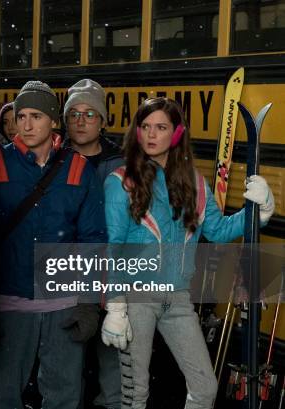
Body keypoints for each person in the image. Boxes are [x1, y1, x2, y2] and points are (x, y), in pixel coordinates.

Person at [101, 97, 275, 409]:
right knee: (134, 396)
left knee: (205, 389)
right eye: (145, 127)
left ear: (177, 134)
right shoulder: (121, 182)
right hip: (136, 299)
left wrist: (257, 212)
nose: (152, 135)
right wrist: (115, 307)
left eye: (161, 127)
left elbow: (218, 231)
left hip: (179, 298)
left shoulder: (194, 182)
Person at [0, 80, 107, 409]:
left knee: (65, 395)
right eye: (21, 115)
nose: (26, 124)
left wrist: (88, 302)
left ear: (53, 120)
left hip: (63, 304)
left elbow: (92, 240)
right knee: (4, 394)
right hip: (9, 303)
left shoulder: (78, 168)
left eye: (36, 115)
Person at [63, 78, 123, 409]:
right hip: (67, 271)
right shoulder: (55, 160)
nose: (81, 121)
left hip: (112, 272)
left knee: (112, 356)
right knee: (66, 358)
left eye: (90, 114)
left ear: (102, 120)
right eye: (74, 114)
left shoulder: (123, 163)